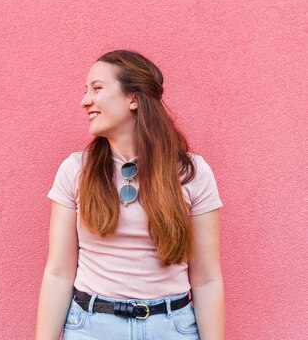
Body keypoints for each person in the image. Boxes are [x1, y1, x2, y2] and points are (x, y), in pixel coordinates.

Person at [35, 49, 225, 340]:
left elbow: (207, 279)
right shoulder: (75, 170)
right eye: (86, 90)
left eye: (97, 88)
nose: (86, 100)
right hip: (91, 328)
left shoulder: (192, 172)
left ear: (133, 99)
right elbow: (59, 273)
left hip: (171, 327)